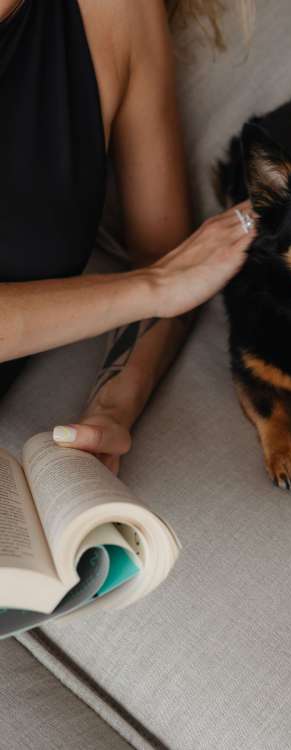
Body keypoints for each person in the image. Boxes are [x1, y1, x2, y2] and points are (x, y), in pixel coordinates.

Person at [0, 0, 256, 473]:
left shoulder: (115, 12)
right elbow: (168, 279)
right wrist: (151, 288)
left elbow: (173, 266)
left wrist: (112, 409)